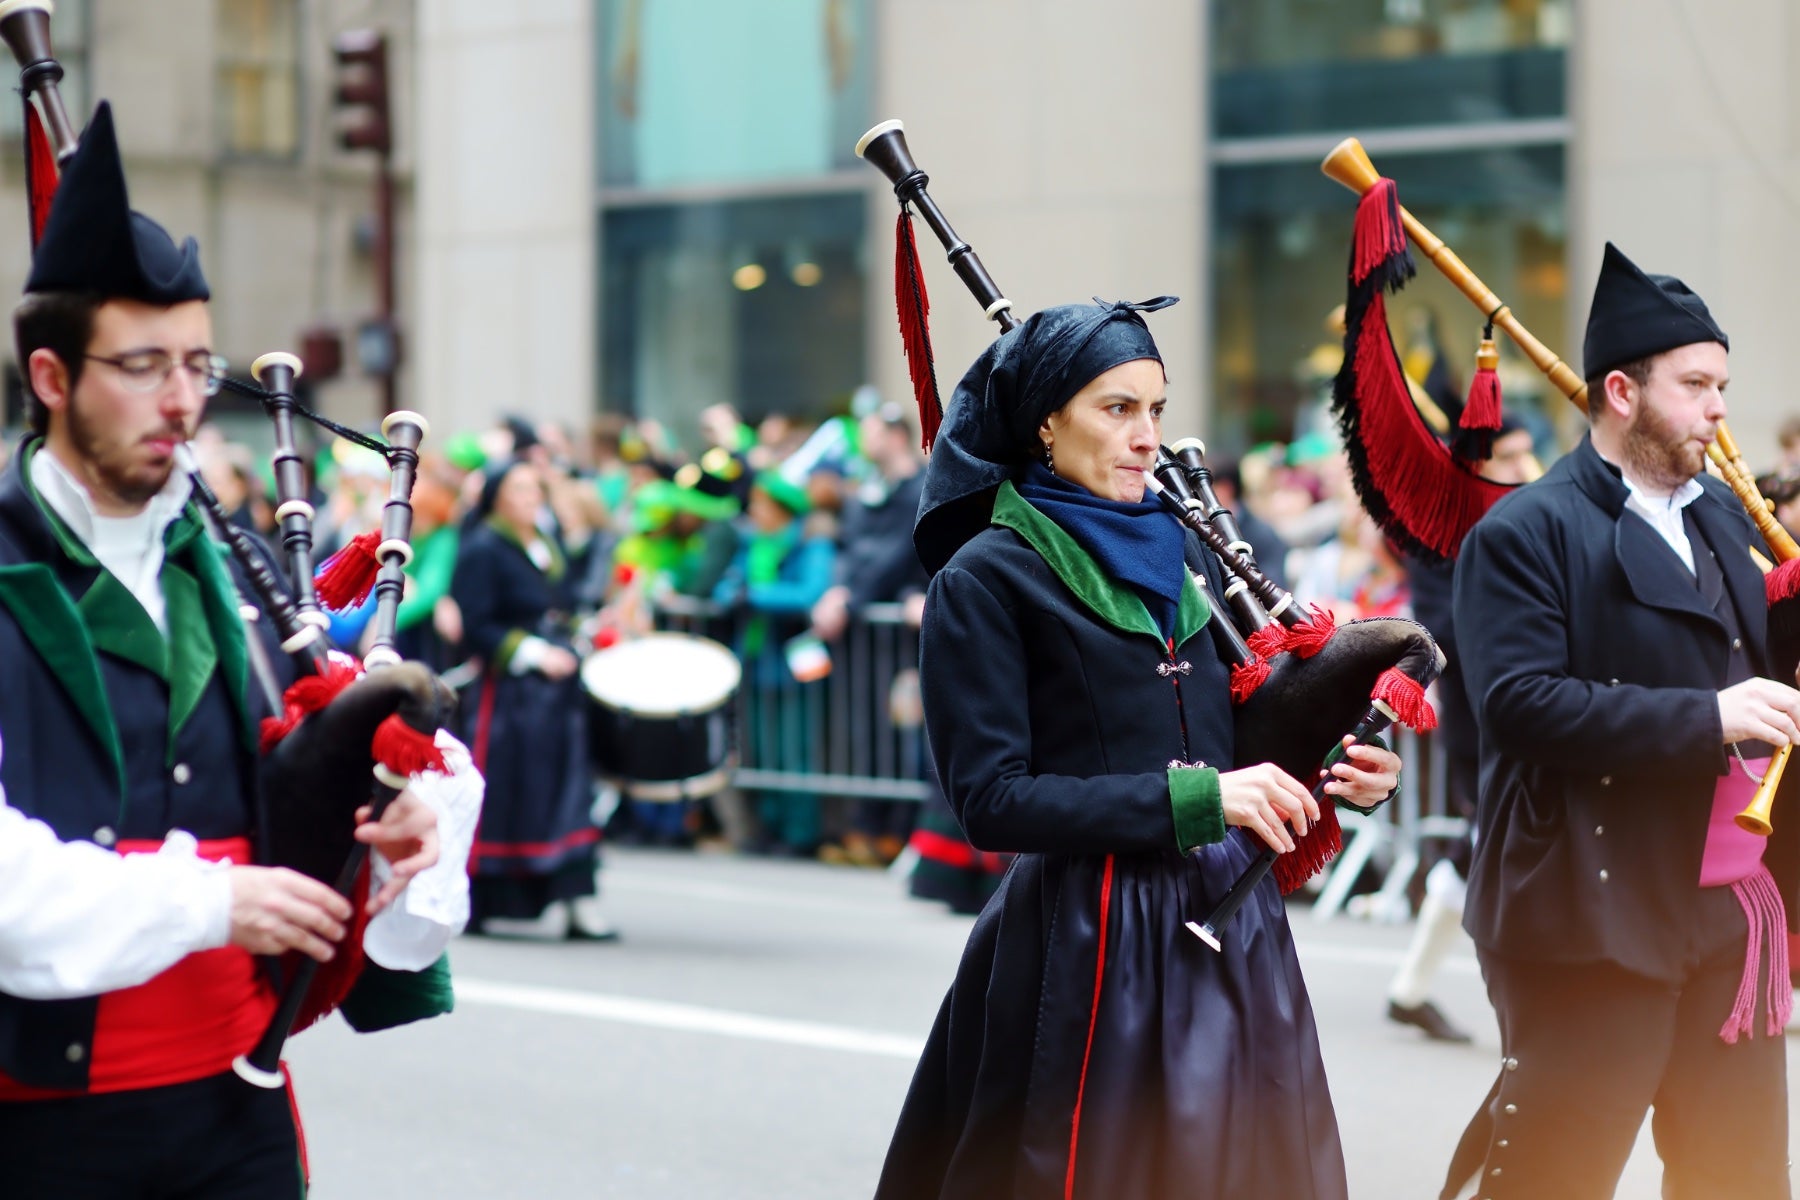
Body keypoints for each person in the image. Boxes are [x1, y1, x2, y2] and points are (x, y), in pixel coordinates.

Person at [0, 102, 478, 1197]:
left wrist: (388, 835)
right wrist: (212, 904)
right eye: (141, 364)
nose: (181, 400)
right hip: (36, 1132)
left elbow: (293, 794)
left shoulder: (236, 576)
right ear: (51, 379)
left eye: (196, 363)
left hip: (236, 1117)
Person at [875, 297, 1400, 1199]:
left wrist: (1334, 774)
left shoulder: (1181, 560)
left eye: (1155, 409)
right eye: (1116, 409)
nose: (1147, 435)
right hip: (1084, 949)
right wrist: (1198, 800)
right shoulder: (986, 577)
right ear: (1045, 422)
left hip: (1231, 933)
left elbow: (1231, 743)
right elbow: (993, 800)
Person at [1442, 243, 1799, 1198]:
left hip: (1730, 913)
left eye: (1722, 384)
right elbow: (1519, 707)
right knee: (1556, 1178)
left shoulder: (1726, 516)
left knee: (1740, 1179)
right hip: (1588, 909)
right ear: (1621, 391)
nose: (1719, 407)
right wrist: (1708, 718)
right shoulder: (1525, 531)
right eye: (1695, 384)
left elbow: (1764, 654)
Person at [1386, 418, 1541, 1045]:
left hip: (1531, 711)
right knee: (1502, 845)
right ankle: (1531, 1008)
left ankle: (1410, 990)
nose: (1525, 470)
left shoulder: (1534, 517)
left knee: (1481, 849)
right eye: (1510, 458)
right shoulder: (1441, 535)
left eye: (1529, 454)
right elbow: (1440, 632)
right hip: (1485, 719)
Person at [454, 458, 611, 940]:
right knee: (505, 793)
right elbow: (476, 625)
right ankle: (480, 900)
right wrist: (533, 652)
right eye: (520, 488)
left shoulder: (545, 542)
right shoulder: (482, 548)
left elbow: (557, 604)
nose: (531, 496)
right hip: (508, 696)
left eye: (534, 487)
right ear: (497, 497)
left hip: (555, 694)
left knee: (566, 791)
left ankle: (577, 899)